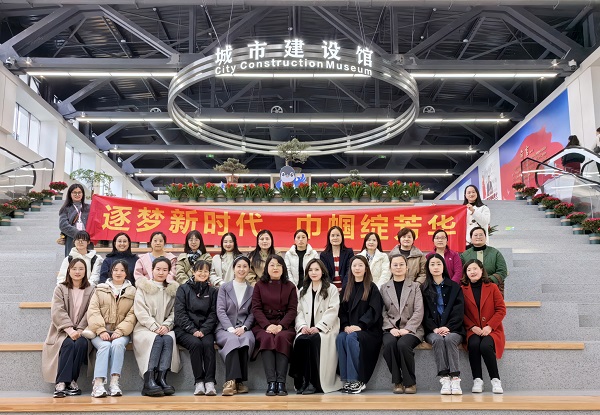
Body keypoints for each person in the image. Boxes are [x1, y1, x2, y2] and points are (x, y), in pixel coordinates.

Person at [42, 258, 94, 398]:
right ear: (69, 270)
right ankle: (62, 383)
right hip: (62, 330)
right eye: (74, 268)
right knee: (68, 344)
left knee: (81, 344)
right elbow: (57, 310)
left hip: (82, 331)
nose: (77, 271)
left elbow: (90, 311)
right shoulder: (60, 288)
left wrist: (80, 330)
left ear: (86, 271)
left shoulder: (91, 289)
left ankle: (71, 381)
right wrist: (70, 330)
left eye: (81, 269)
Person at [289, 259, 342, 394]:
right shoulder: (303, 290)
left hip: (326, 329)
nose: (313, 272)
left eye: (317, 269)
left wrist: (318, 327)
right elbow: (299, 312)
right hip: (307, 328)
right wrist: (302, 326)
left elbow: (333, 311)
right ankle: (302, 381)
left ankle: (313, 382)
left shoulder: (331, 288)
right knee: (301, 340)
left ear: (322, 271)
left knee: (313, 341)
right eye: (310, 270)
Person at [86, 260, 137, 397]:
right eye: (115, 270)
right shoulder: (100, 289)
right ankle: (98, 384)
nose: (118, 273)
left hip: (121, 332)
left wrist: (120, 331)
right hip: (100, 331)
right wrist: (101, 330)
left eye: (122, 270)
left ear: (126, 273)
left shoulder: (133, 291)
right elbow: (93, 311)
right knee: (104, 346)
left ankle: (114, 383)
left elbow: (132, 315)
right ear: (111, 272)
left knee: (117, 345)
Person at [133, 257, 181, 397]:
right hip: (144, 328)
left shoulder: (172, 289)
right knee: (156, 339)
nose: (161, 272)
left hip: (165, 328)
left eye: (165, 270)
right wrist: (154, 326)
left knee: (168, 339)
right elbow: (140, 311)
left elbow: (175, 312)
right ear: (152, 270)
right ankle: (149, 381)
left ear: (169, 271)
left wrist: (167, 325)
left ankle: (161, 379)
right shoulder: (143, 287)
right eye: (158, 269)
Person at [251, 254, 298, 396]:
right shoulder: (259, 285)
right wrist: (267, 326)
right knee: (266, 338)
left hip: (284, 325)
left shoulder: (290, 286)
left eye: (278, 265)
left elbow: (292, 310)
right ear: (267, 268)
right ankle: (271, 382)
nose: (275, 268)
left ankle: (281, 382)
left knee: (281, 338)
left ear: (283, 268)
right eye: (272, 265)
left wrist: (281, 326)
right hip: (263, 325)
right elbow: (256, 309)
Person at [336, 255, 383, 394]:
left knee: (351, 338)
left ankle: (357, 380)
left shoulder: (372, 287)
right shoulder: (347, 288)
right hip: (350, 328)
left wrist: (361, 325)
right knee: (341, 337)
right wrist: (345, 325)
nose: (357, 268)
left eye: (360, 265)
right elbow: (342, 310)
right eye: (354, 265)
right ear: (350, 269)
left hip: (369, 330)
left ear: (366, 268)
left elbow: (374, 310)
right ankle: (347, 379)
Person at [421, 254, 465, 395]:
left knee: (450, 339)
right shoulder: (424, 288)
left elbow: (459, 311)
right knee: (438, 340)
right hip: (432, 330)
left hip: (454, 329)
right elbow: (423, 312)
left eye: (438, 264)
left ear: (444, 266)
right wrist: (434, 328)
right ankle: (444, 378)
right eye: (432, 264)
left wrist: (448, 327)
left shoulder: (454, 287)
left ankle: (455, 378)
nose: (435, 267)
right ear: (428, 267)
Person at [381, 254, 424, 394]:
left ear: (407, 267)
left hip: (413, 329)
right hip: (391, 328)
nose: (398, 267)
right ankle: (397, 381)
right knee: (389, 344)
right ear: (390, 268)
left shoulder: (415, 286)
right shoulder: (384, 288)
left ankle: (410, 382)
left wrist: (408, 329)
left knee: (403, 344)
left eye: (401, 264)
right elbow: (382, 311)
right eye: (395, 265)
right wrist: (390, 328)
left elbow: (419, 310)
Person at [461, 259, 506, 394]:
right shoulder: (462, 289)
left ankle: (495, 380)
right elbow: (460, 312)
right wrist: (471, 326)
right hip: (472, 329)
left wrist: (490, 326)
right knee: (474, 344)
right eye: (469, 270)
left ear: (481, 270)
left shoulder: (492, 287)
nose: (472, 272)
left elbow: (501, 309)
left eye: (475, 268)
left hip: (492, 329)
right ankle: (477, 380)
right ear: (466, 273)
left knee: (485, 346)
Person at [175, 260, 219, 396]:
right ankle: (199, 381)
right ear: (193, 272)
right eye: (200, 270)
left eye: (206, 271)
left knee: (208, 344)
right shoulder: (183, 289)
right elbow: (180, 313)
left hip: (205, 329)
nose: (203, 273)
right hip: (185, 329)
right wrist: (193, 330)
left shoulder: (213, 291)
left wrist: (204, 330)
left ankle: (210, 382)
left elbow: (213, 314)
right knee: (195, 344)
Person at [215, 256, 255, 396]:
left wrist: (244, 328)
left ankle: (239, 382)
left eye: (245, 266)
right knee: (232, 340)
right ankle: (230, 381)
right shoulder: (224, 288)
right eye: (238, 266)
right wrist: (231, 329)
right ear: (233, 268)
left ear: (249, 269)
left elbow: (253, 313)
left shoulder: (252, 290)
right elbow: (220, 310)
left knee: (246, 339)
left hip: (244, 328)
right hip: (225, 328)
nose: (241, 269)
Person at [460, 227, 508, 296]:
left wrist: (489, 280)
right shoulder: (464, 255)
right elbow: (462, 272)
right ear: (471, 238)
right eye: (475, 235)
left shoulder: (495, 253)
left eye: (481, 235)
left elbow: (502, 271)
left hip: (492, 286)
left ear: (485, 237)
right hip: (471, 288)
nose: (478, 237)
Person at [58, 184, 90, 257]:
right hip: (72, 240)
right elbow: (63, 225)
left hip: (87, 241)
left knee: (87, 260)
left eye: (79, 192)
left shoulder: (89, 208)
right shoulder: (65, 209)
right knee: (72, 261)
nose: (77, 194)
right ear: (70, 194)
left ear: (83, 194)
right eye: (74, 192)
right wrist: (79, 234)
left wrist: (86, 236)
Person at [319, 226, 354, 291]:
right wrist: (333, 289)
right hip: (329, 289)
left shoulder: (349, 252)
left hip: (347, 288)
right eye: (332, 235)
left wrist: (344, 288)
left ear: (342, 237)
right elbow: (325, 274)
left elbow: (349, 271)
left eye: (338, 235)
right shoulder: (324, 255)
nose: (335, 238)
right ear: (329, 238)